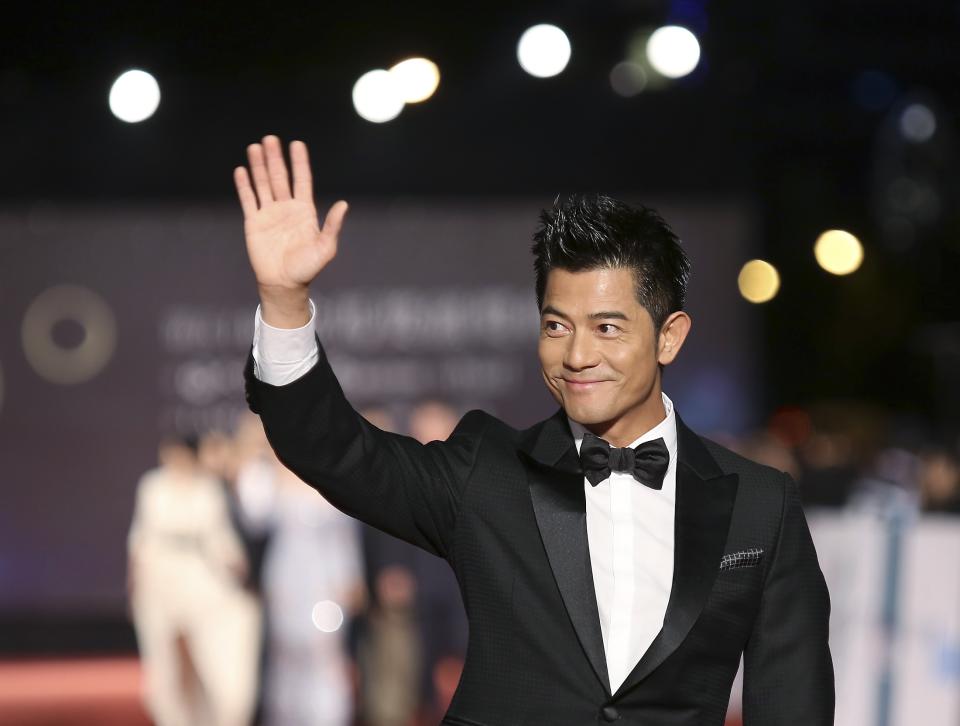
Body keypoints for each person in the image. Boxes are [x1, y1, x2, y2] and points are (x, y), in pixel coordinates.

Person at [233, 135, 835, 725]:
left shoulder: (760, 504)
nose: (576, 355)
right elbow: (333, 450)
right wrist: (284, 302)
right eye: (555, 326)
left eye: (607, 328)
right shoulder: (486, 471)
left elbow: (793, 702)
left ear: (669, 336)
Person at [127, 433, 261, 726]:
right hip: (160, 583)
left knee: (217, 667)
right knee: (167, 668)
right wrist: (135, 584)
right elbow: (140, 538)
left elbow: (223, 539)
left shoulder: (209, 488)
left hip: (205, 586)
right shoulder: (153, 487)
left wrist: (239, 571)